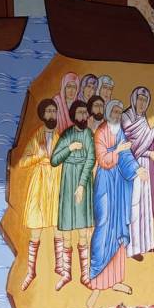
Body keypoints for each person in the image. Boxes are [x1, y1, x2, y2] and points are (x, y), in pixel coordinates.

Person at [87, 100, 146, 308]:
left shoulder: (119, 131)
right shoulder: (101, 132)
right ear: (108, 112)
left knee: (119, 227)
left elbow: (127, 155)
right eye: (114, 111)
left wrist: (137, 169)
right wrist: (117, 150)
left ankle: (115, 280)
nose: (117, 114)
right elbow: (103, 159)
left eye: (119, 112)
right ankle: (96, 281)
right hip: (105, 184)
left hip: (119, 185)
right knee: (104, 226)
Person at [16, 98, 62, 291]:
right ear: (43, 115)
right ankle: (30, 271)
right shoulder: (36, 137)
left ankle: (60, 266)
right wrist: (39, 156)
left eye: (54, 111)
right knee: (36, 228)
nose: (52, 114)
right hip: (40, 184)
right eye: (49, 111)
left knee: (58, 226)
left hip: (56, 184)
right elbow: (22, 162)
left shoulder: (59, 137)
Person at [50, 100, 95, 290]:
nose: (83, 116)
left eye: (85, 113)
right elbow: (54, 160)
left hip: (82, 183)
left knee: (83, 231)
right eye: (80, 113)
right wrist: (69, 148)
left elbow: (91, 158)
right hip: (68, 182)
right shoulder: (67, 135)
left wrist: (82, 185)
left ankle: (85, 275)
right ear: (73, 115)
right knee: (67, 230)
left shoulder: (88, 134)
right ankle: (67, 273)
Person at [121, 87, 154, 261]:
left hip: (143, 165)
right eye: (139, 99)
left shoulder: (142, 119)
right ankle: (133, 248)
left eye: (145, 101)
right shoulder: (126, 118)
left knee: (145, 205)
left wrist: (150, 154)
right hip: (130, 166)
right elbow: (133, 146)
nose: (142, 103)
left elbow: (142, 147)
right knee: (134, 206)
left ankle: (146, 243)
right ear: (133, 99)